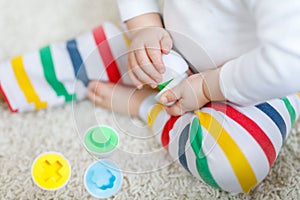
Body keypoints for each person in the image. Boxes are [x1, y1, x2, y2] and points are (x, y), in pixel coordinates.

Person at [0, 0, 299, 194]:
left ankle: (146, 105)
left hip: (258, 82)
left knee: (238, 165)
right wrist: (143, 26)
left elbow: (287, 61)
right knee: (85, 58)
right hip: (169, 41)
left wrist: (208, 88)